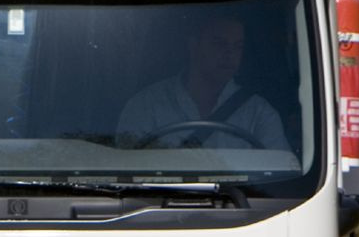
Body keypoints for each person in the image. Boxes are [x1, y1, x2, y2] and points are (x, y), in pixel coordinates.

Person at [115, 16, 290, 151]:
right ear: (193, 45)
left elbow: (278, 173)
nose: (229, 54)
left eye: (237, 46)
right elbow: (126, 169)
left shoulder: (260, 114)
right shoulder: (146, 106)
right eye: (219, 44)